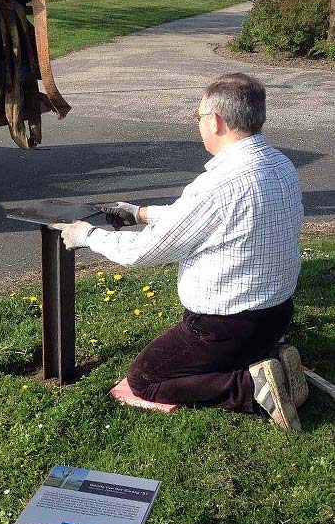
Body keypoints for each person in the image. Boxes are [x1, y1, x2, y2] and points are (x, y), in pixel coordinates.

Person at [53, 73, 307, 432]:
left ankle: (251, 388)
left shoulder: (220, 183)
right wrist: (141, 213)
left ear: (216, 121)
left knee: (145, 380)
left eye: (199, 117)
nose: (198, 124)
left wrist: (88, 235)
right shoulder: (279, 164)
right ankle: (267, 358)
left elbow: (144, 252)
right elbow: (209, 219)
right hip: (276, 314)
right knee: (208, 356)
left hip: (222, 327)